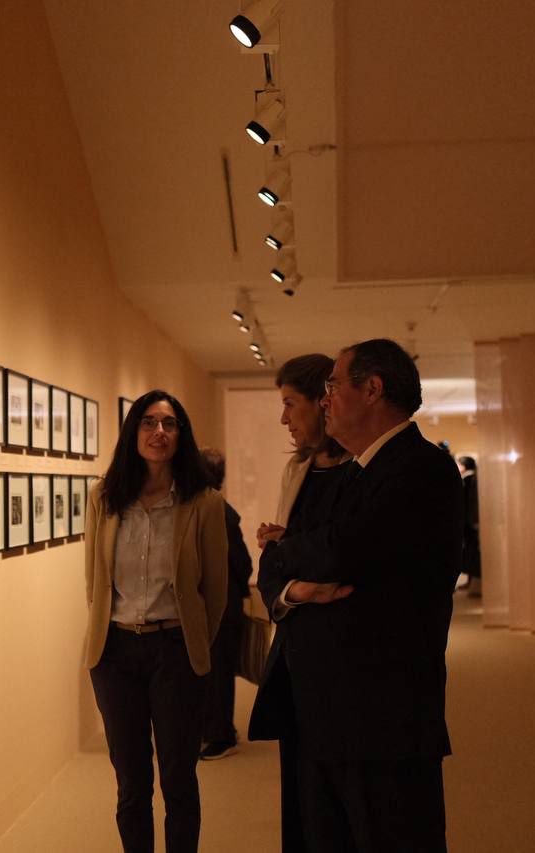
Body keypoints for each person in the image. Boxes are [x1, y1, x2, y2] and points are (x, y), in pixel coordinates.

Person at [256, 339, 463, 851]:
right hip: (329, 713)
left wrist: (285, 549)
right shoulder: (361, 471)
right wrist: (296, 571)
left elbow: (342, 550)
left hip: (383, 721)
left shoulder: (420, 467)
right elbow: (315, 552)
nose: (324, 400)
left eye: (332, 386)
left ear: (372, 390)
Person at [83, 389, 229, 853]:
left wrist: (195, 641)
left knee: (178, 778)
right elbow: (94, 582)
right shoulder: (105, 498)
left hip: (176, 651)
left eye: (169, 423)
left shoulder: (203, 503)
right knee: (131, 782)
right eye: (148, 422)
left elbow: (216, 590)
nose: (158, 432)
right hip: (115, 654)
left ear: (181, 434)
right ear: (133, 432)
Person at [247, 353, 351, 853]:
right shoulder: (298, 470)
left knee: (343, 806)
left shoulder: (362, 473)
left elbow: (343, 558)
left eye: (291, 404)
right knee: (302, 797)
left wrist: (289, 550)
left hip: (347, 661)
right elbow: (273, 566)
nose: (284, 418)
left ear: (322, 403)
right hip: (296, 657)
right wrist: (297, 590)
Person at [198, 447, 253, 761]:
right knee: (214, 669)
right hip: (219, 603)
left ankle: (221, 735)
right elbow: (242, 563)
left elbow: (241, 562)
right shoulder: (215, 507)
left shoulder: (215, 509)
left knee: (218, 670)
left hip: (220, 604)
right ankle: (216, 729)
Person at [458, 456, 481, 598]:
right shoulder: (472, 479)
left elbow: (467, 505)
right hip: (471, 523)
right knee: (471, 551)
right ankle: (471, 581)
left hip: (469, 523)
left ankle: (474, 582)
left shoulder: (467, 480)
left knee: (471, 552)